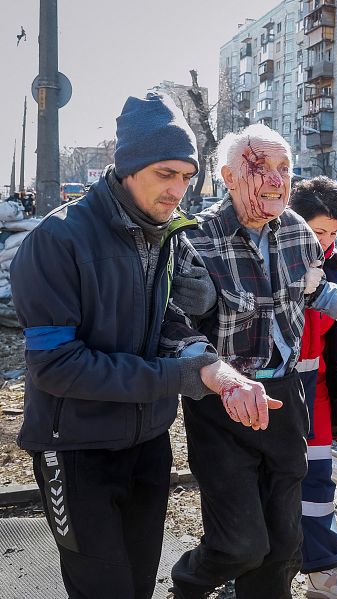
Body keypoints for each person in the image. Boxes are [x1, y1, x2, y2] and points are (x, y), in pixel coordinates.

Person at [9, 92, 272, 599]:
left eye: (187, 177)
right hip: (76, 449)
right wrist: (181, 377)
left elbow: (166, 323)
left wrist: (212, 366)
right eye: (164, 173)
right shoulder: (59, 240)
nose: (178, 190)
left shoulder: (163, 234)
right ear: (127, 167)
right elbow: (56, 366)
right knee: (103, 589)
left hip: (149, 441)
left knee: (139, 585)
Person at [168, 124, 337, 599]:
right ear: (229, 177)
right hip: (222, 403)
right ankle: (188, 585)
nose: (277, 179)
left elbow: (316, 290)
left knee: (283, 544)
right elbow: (175, 328)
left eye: (284, 169)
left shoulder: (295, 230)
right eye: (262, 168)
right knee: (238, 545)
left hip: (285, 397)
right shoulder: (195, 240)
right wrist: (221, 377)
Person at [289, 177, 337, 599]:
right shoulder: (271, 259)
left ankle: (323, 574)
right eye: (318, 231)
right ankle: (267, 571)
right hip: (275, 386)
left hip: (318, 387)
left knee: (318, 479)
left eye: (334, 233)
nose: (326, 242)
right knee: (274, 479)